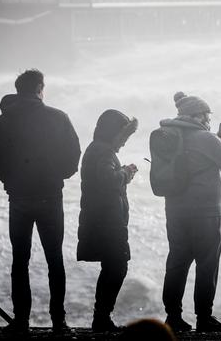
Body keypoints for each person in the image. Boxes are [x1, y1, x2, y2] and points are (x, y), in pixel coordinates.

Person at [0, 69, 81, 333]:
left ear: (18, 90)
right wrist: (58, 175)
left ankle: (21, 321)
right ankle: (58, 322)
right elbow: (72, 154)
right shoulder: (58, 117)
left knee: (20, 260)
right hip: (50, 195)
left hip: (18, 197)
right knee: (54, 259)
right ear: (40, 88)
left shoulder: (3, 121)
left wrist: (9, 180)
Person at [159, 92, 221, 332]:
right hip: (206, 213)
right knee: (207, 264)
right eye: (207, 115)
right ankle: (204, 317)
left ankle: (173, 317)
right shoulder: (205, 138)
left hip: (175, 211)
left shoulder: (168, 135)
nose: (209, 120)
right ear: (199, 115)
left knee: (177, 263)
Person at [77, 110, 138, 332]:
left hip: (102, 218)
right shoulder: (103, 151)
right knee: (117, 266)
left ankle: (101, 317)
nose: (123, 142)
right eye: (122, 137)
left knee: (113, 266)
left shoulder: (99, 149)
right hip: (106, 221)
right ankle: (101, 318)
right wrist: (126, 172)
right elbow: (108, 180)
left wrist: (122, 171)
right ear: (113, 133)